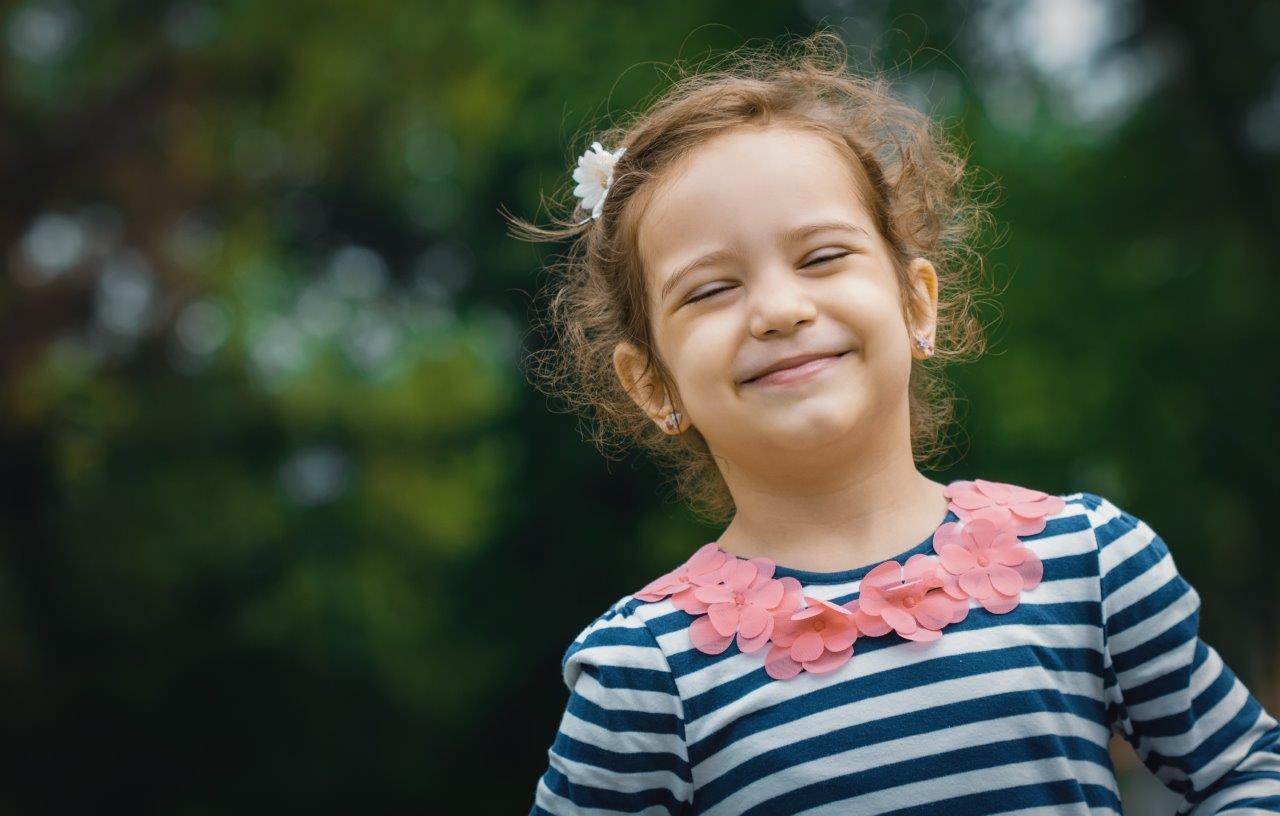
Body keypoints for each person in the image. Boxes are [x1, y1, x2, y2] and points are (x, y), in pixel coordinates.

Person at [508, 29, 1280, 815]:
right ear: (651, 383)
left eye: (821, 258)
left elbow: (1247, 771)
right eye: (709, 290)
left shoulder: (1090, 563)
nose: (780, 310)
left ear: (918, 302)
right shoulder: (646, 672)